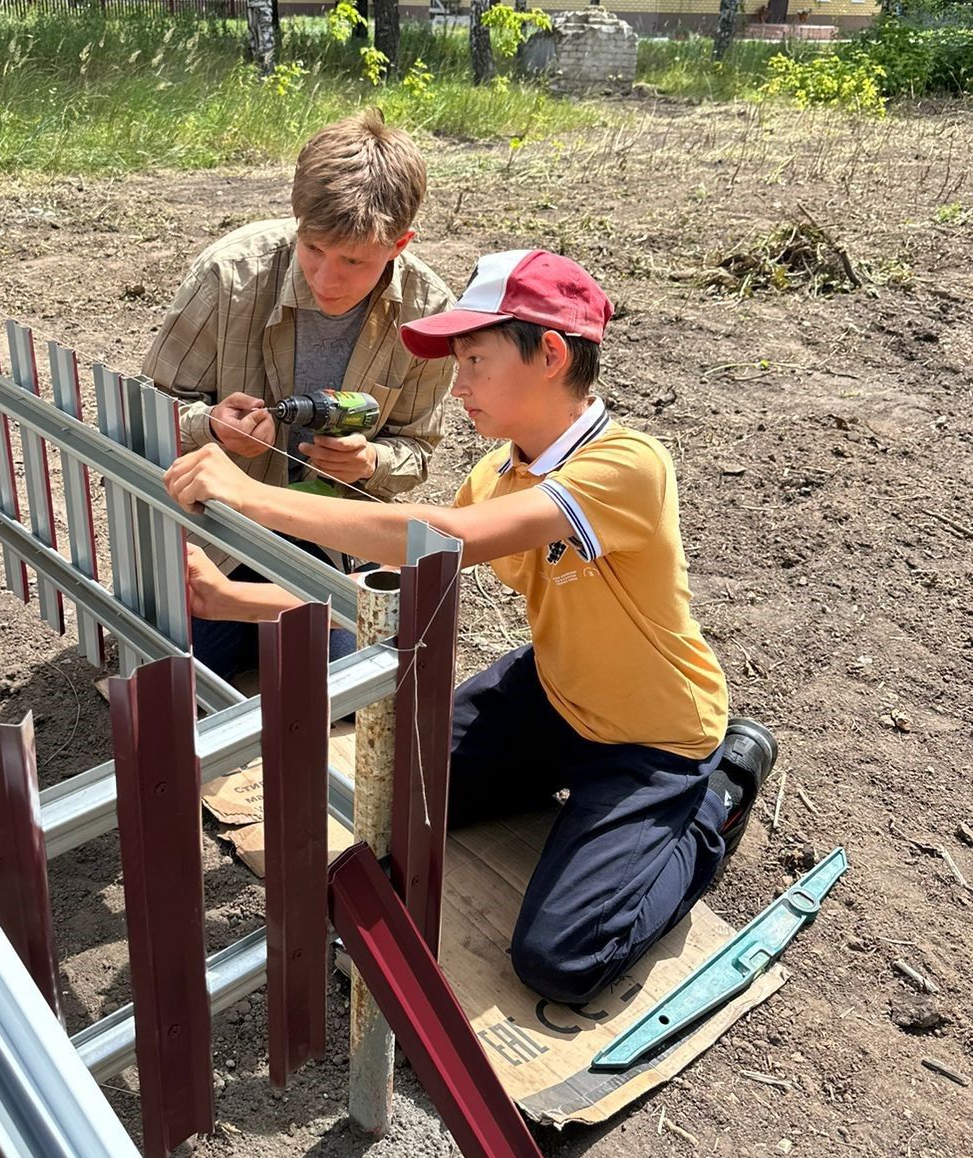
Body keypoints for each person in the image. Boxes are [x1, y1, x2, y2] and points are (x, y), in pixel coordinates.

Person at [163, 247, 778, 1005]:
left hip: (651, 736)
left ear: (550, 353)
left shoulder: (628, 466)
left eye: (475, 362)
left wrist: (253, 496)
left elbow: (440, 538)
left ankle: (718, 795)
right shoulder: (497, 473)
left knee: (561, 962)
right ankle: (551, 784)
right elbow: (399, 589)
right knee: (389, 812)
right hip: (550, 693)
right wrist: (237, 601)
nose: (457, 389)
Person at [142, 108, 454, 678]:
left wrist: (370, 461)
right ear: (296, 220)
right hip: (222, 536)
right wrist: (209, 426)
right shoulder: (230, 276)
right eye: (313, 249)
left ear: (399, 243)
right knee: (172, 674)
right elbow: (145, 406)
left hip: (335, 541)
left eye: (354, 261)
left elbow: (418, 448)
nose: (327, 279)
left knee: (341, 687)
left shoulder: (428, 314)